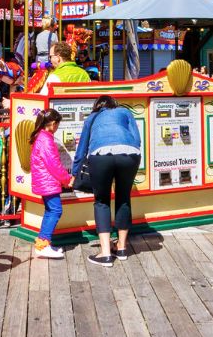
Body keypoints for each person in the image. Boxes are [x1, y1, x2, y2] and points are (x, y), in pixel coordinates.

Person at [72, 95, 141, 266]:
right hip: (130, 154)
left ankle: (105, 253)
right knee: (123, 198)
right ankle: (122, 248)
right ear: (114, 104)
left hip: (101, 155)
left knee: (101, 201)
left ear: (97, 106)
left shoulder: (92, 117)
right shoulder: (125, 112)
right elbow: (137, 138)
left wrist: (75, 172)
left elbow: (82, 148)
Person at [29, 108, 73, 259]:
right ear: (53, 124)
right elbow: (54, 164)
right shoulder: (46, 140)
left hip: (44, 181)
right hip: (48, 182)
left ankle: (43, 243)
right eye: (57, 125)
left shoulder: (41, 137)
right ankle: (43, 245)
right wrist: (67, 179)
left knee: (50, 210)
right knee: (55, 211)